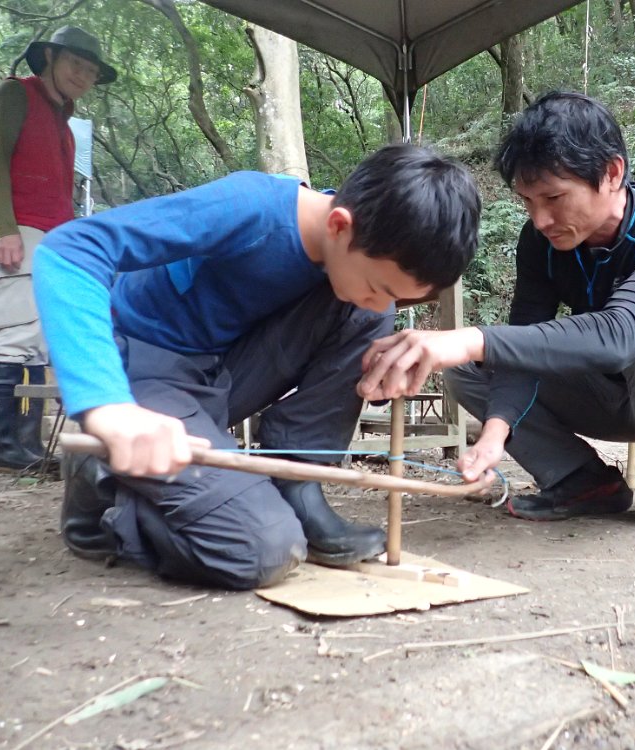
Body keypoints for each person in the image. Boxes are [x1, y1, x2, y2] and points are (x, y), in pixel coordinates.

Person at [32, 143, 480, 590]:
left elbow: (361, 309)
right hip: (148, 369)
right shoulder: (250, 208)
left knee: (366, 315)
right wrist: (107, 406)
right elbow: (71, 249)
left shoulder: (351, 255)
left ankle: (293, 481)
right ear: (340, 226)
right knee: (263, 550)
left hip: (216, 373)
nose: (383, 304)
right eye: (378, 286)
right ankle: (105, 486)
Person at [357, 92, 635, 535]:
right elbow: (523, 344)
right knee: (468, 367)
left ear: (612, 173)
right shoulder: (541, 242)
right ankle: (582, 482)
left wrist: (468, 337)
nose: (540, 219)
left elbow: (619, 336)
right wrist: (495, 434)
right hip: (605, 395)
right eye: (527, 201)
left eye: (554, 197)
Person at [0, 26, 116, 471]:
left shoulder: (65, 123)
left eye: (91, 71)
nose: (83, 75)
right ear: (50, 57)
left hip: (52, 239)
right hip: (16, 228)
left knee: (36, 340)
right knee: (15, 332)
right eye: (76, 64)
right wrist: (5, 229)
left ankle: (25, 445)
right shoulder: (15, 93)